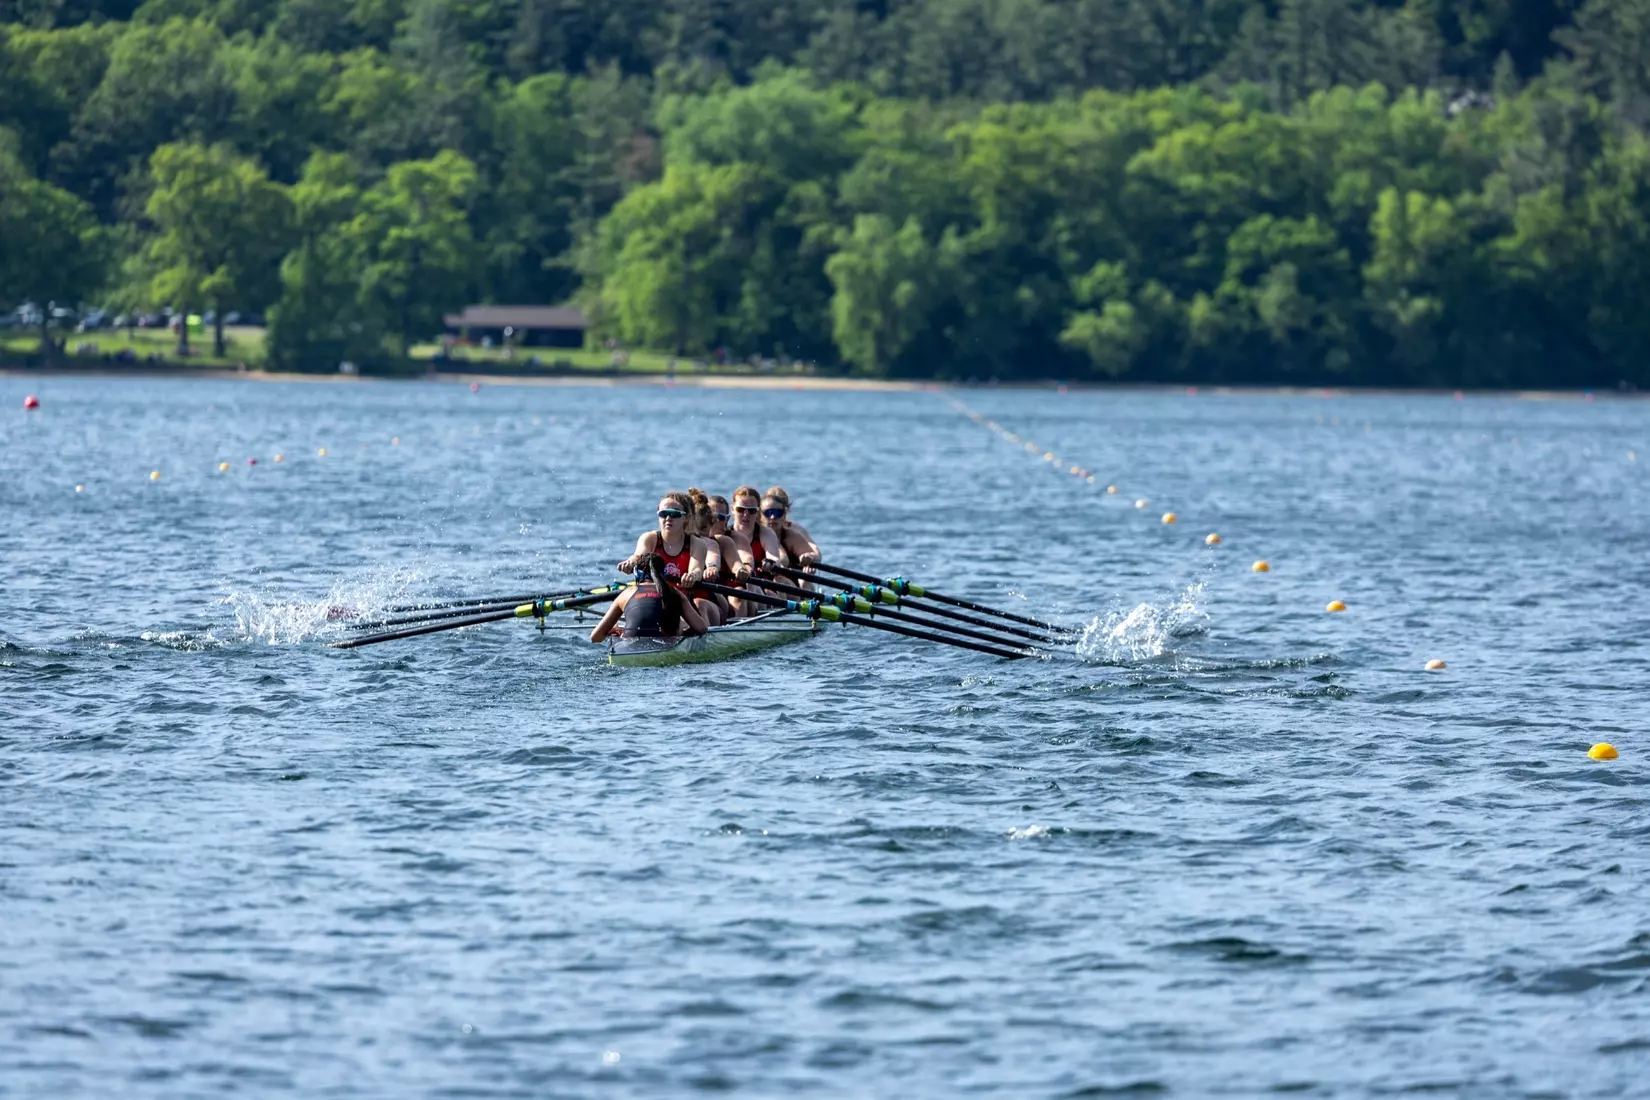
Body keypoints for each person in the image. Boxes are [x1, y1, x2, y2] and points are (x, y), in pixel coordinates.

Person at [616, 491, 723, 626]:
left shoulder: (697, 543)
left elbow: (696, 569)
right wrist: (630, 563)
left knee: (699, 604)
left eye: (674, 514)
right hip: (657, 599)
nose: (668, 518)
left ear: (686, 518)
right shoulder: (649, 539)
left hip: (691, 601)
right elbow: (638, 556)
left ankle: (698, 633)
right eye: (663, 514)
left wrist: (692, 576)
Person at [589, 553, 708, 643]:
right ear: (663, 573)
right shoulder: (675, 593)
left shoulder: (626, 594)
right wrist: (683, 633)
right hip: (666, 646)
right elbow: (702, 628)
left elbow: (595, 637)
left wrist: (618, 631)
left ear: (637, 574)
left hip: (629, 649)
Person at [725, 485, 782, 618]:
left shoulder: (765, 533)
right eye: (741, 510)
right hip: (730, 587)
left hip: (760, 586)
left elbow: (774, 557)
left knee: (756, 589)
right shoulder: (725, 535)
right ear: (732, 509)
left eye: (751, 511)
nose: (746, 515)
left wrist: (770, 563)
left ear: (758, 512)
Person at [761, 485, 821, 569]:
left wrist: (809, 558)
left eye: (778, 512)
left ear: (786, 511)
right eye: (768, 512)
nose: (773, 517)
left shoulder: (793, 530)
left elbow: (817, 554)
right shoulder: (756, 531)